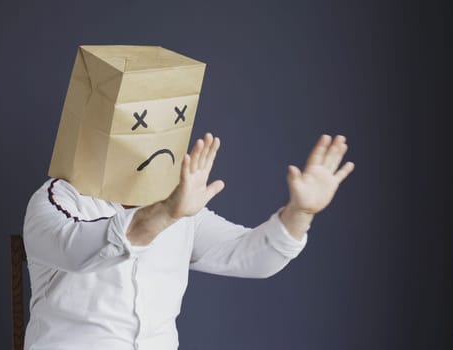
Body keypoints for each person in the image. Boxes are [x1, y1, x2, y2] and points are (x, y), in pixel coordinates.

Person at [23, 131, 354, 350]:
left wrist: (300, 212)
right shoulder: (56, 200)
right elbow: (80, 249)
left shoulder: (180, 208)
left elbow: (250, 256)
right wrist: (165, 215)